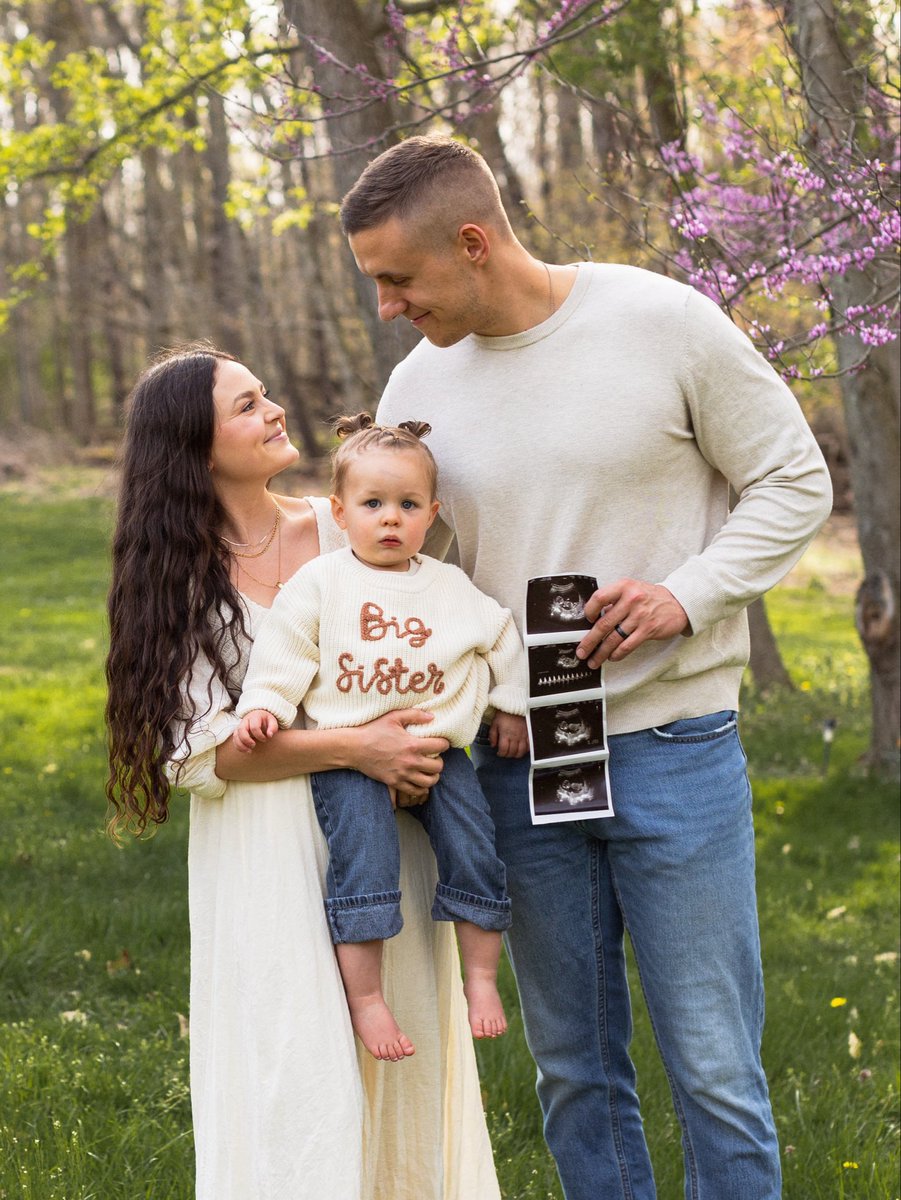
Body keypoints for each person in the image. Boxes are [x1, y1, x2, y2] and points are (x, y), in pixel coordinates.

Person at [339, 135, 834, 1200]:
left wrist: (685, 594)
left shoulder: (662, 322)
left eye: (398, 278)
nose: (386, 307)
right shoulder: (419, 383)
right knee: (573, 1070)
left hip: (673, 744)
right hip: (521, 759)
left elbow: (793, 480)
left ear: (472, 242)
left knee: (713, 1069)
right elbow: (414, 571)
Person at [104, 344, 503, 1200]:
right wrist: (357, 747)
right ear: (194, 445)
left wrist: (425, 741)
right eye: (246, 405)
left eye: (265, 391)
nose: (275, 409)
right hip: (264, 849)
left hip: (387, 826)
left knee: (401, 1061)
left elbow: (440, 640)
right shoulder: (174, 573)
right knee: (294, 1070)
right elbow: (198, 752)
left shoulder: (348, 523)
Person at [233, 413, 528, 1060]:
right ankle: (367, 1000)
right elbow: (284, 653)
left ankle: (481, 979)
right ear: (340, 512)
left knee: (475, 848)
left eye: (408, 505)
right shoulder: (322, 582)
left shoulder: (448, 585)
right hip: (348, 757)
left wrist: (509, 707)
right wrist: (263, 708)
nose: (390, 519)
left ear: (432, 514)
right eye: (373, 505)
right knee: (364, 860)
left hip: (440, 753)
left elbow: (502, 636)